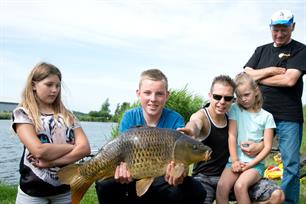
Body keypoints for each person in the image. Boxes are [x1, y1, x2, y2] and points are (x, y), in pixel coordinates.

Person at [95, 68, 206, 204]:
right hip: (131, 174)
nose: (153, 99)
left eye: (159, 94)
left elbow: (182, 162)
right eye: (147, 93)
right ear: (138, 93)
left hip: (162, 178)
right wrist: (121, 171)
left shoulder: (176, 119)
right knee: (104, 184)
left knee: (196, 190)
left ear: (167, 95)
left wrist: (179, 174)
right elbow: (120, 152)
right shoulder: (129, 116)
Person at [178, 75, 284, 204]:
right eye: (217, 97)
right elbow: (195, 123)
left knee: (276, 195)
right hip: (208, 177)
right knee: (215, 191)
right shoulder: (207, 114)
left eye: (228, 98)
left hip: (246, 168)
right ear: (210, 95)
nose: (222, 102)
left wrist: (259, 146)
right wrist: (190, 130)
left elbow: (266, 142)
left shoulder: (237, 112)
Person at [244, 9, 306, 204]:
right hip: (260, 116)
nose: (279, 34)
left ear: (293, 27)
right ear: (270, 28)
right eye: (276, 30)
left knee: (291, 165)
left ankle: (288, 202)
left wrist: (259, 77)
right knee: (250, 156)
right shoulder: (261, 50)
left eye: (284, 30)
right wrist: (271, 70)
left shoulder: (301, 50)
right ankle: (252, 196)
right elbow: (246, 75)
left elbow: (289, 80)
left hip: (288, 117)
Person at [11, 62, 91, 204]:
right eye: (49, 85)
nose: (54, 90)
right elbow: (39, 150)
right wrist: (72, 147)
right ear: (34, 85)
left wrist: (52, 162)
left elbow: (85, 149)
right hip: (32, 191)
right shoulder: (23, 114)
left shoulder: (68, 116)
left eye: (58, 85)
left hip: (65, 190)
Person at [216, 72, 275, 204]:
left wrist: (250, 165)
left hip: (255, 165)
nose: (243, 99)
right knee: (221, 187)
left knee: (240, 186)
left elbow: (267, 146)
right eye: (239, 96)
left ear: (256, 91)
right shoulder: (235, 109)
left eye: (246, 95)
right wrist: (236, 161)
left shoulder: (267, 117)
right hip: (234, 162)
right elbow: (232, 136)